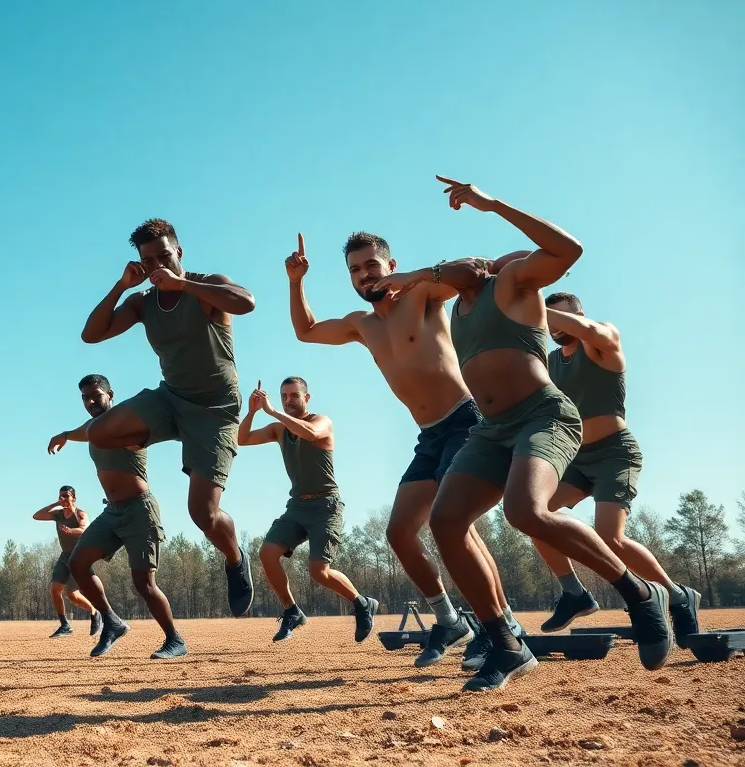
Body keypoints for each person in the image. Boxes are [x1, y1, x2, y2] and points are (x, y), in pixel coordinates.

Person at [379, 176, 672, 691]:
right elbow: (441, 280)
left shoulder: (512, 285)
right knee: (447, 522)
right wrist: (429, 274)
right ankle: (506, 645)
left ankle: (640, 594)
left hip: (544, 417)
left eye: (488, 259)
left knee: (527, 511)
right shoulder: (455, 309)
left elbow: (568, 248)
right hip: (492, 430)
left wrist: (492, 206)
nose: (480, 262)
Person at [287, 230, 523, 670]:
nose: (363, 275)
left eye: (371, 265)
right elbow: (307, 331)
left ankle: (504, 628)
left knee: (454, 525)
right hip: (429, 436)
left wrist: (420, 276)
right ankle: (450, 620)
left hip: (465, 418)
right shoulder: (363, 324)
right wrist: (297, 280)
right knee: (399, 533)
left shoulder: (422, 296)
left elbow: (476, 269)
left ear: (390, 266)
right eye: (355, 270)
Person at [79, 219, 255, 618]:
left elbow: (246, 302)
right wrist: (123, 286)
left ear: (179, 252)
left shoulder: (207, 284)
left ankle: (235, 559)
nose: (158, 264)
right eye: (147, 260)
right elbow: (92, 335)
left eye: (164, 255)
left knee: (203, 515)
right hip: (171, 399)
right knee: (101, 432)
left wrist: (183, 284)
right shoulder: (143, 302)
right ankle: (154, 437)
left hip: (214, 412)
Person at [532, 292, 700, 644]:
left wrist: (533, 303)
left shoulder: (602, 340)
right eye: (548, 320)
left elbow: (589, 330)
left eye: (559, 317)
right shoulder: (549, 362)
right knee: (533, 513)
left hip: (615, 453)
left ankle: (676, 594)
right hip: (575, 456)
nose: (552, 325)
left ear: (580, 315)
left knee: (610, 537)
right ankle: (573, 593)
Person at [49, 374, 186, 659]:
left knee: (144, 584)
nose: (90, 402)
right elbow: (83, 430)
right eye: (85, 398)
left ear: (110, 394)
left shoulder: (126, 423)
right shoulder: (92, 427)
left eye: (95, 396)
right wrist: (64, 435)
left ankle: (175, 640)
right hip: (112, 511)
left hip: (140, 510)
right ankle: (111, 621)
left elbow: (153, 429)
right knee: (78, 562)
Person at [237, 377, 379, 643]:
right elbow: (242, 439)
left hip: (326, 505)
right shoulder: (279, 429)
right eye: (283, 396)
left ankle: (361, 603)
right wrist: (252, 412)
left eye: (293, 395)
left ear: (307, 397)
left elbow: (310, 434)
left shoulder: (321, 421)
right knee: (267, 552)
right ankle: (292, 611)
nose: (288, 400)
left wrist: (273, 412)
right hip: (297, 505)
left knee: (318, 570)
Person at [33, 487, 104, 638]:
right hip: (65, 556)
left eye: (66, 496)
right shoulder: (58, 514)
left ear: (74, 498)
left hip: (79, 557)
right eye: (60, 496)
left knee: (72, 595)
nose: (63, 499)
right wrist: (55, 504)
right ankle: (65, 625)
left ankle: (94, 612)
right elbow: (36, 516)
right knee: (55, 589)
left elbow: (85, 529)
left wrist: (71, 531)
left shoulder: (80, 514)